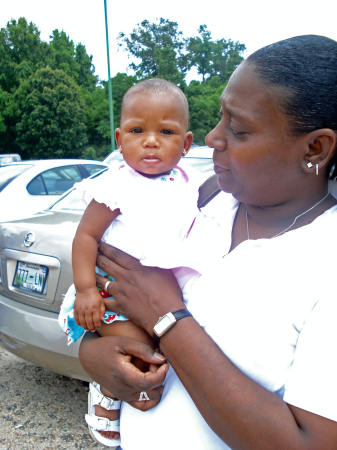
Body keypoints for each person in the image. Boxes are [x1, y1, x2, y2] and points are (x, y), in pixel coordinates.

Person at [78, 35, 337, 450]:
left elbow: (310, 443)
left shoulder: (326, 262)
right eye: (219, 117)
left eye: (237, 128)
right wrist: (94, 354)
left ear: (315, 148)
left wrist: (167, 318)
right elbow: (112, 295)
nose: (212, 137)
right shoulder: (201, 199)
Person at [59, 78, 225, 447]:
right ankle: (107, 392)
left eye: (165, 131)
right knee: (137, 355)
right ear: (119, 140)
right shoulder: (116, 185)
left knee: (162, 353)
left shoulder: (190, 183)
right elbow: (86, 237)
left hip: (162, 296)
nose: (151, 141)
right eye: (137, 130)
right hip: (114, 295)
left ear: (185, 143)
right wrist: (86, 288)